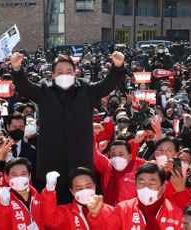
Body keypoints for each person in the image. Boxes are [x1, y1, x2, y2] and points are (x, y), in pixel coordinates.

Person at [10, 51, 125, 203]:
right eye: (60, 72)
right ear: (53, 74)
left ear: (75, 72)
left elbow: (105, 86)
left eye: (69, 71)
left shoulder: (85, 88)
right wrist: (17, 69)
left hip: (79, 160)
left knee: (81, 206)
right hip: (51, 161)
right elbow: (25, 88)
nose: (65, 74)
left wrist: (117, 67)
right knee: (52, 208)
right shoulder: (44, 89)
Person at [86, 163, 183, 229]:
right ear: (135, 185)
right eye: (141, 183)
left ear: (163, 187)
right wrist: (95, 216)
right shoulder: (123, 209)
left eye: (152, 183)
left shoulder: (176, 213)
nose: (145, 187)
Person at [41, 167, 113, 230]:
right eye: (79, 189)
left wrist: (96, 216)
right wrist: (49, 190)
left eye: (88, 187)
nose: (85, 191)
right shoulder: (66, 212)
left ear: (95, 186)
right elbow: (50, 222)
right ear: (72, 191)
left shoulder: (110, 211)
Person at [0, 157, 44, 230]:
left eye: (23, 174)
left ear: (29, 176)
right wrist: (4, 206)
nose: (19, 177)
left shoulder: (38, 196)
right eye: (14, 175)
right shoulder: (1, 199)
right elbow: (1, 227)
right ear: (6, 177)